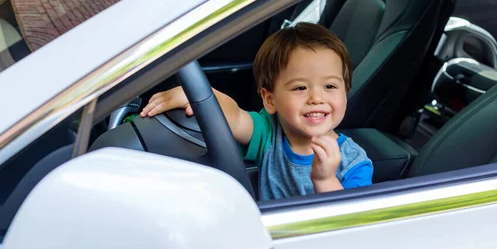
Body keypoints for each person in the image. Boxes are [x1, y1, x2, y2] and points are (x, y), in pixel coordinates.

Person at [140, 22, 373, 200]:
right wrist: (193, 94)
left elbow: (350, 227)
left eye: (330, 86)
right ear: (270, 100)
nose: (316, 98)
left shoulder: (354, 163)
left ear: (345, 92)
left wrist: (325, 179)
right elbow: (234, 115)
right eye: (300, 87)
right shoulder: (270, 133)